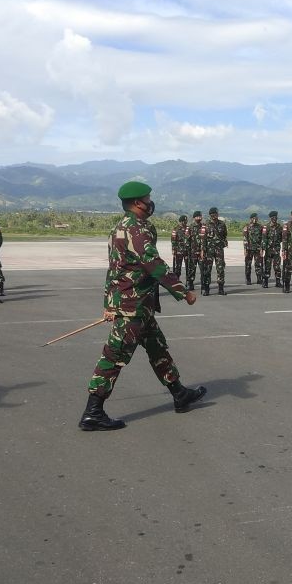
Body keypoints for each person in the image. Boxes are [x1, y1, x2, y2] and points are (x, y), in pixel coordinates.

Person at [78, 180, 205, 431]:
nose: (150, 203)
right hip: (132, 306)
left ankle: (179, 394)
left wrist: (109, 302)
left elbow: (114, 269)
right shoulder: (136, 230)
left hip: (136, 304)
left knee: (158, 349)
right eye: (147, 199)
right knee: (114, 357)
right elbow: (153, 264)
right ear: (137, 203)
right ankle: (93, 412)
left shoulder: (120, 227)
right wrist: (182, 292)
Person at [200, 207, 228, 296]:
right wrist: (202, 250)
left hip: (219, 250)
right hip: (209, 250)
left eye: (215, 214)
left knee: (220, 269)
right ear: (210, 215)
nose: (214, 216)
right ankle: (207, 290)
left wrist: (223, 244)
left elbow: (224, 235)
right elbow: (203, 239)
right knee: (207, 270)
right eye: (212, 214)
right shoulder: (205, 225)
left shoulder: (222, 224)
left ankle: (221, 289)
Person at [261, 210, 283, 288]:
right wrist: (263, 249)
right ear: (270, 218)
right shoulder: (266, 227)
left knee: (277, 266)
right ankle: (265, 282)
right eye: (273, 217)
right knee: (267, 266)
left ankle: (278, 282)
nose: (275, 218)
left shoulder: (279, 227)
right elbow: (264, 238)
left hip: (276, 249)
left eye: (276, 217)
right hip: (268, 250)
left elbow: (281, 238)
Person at [242, 213, 264, 285]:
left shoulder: (260, 227)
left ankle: (259, 279)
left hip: (257, 249)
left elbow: (262, 238)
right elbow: (245, 239)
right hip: (249, 249)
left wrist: (261, 249)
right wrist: (245, 249)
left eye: (256, 218)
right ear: (250, 219)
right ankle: (248, 279)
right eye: (253, 218)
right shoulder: (247, 227)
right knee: (248, 265)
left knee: (258, 264)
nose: (255, 219)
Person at [185, 211, 203, 290]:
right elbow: (186, 240)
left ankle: (204, 284)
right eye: (197, 216)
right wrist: (188, 250)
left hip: (202, 252)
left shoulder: (204, 227)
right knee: (192, 269)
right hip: (192, 252)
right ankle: (190, 284)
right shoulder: (190, 227)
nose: (199, 218)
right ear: (194, 218)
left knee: (203, 269)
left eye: (200, 216)